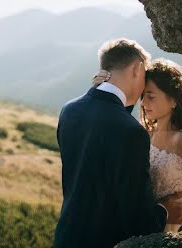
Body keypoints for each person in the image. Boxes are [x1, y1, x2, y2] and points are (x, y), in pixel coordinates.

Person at [54, 38, 166, 248]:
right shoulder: (131, 132)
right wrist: (166, 213)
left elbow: (102, 127)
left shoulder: (69, 109)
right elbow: (138, 219)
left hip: (66, 236)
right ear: (137, 69)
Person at [93, 58, 182, 232]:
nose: (142, 103)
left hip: (173, 226)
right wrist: (100, 89)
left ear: (173, 101)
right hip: (144, 222)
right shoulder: (144, 135)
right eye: (143, 96)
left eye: (150, 97)